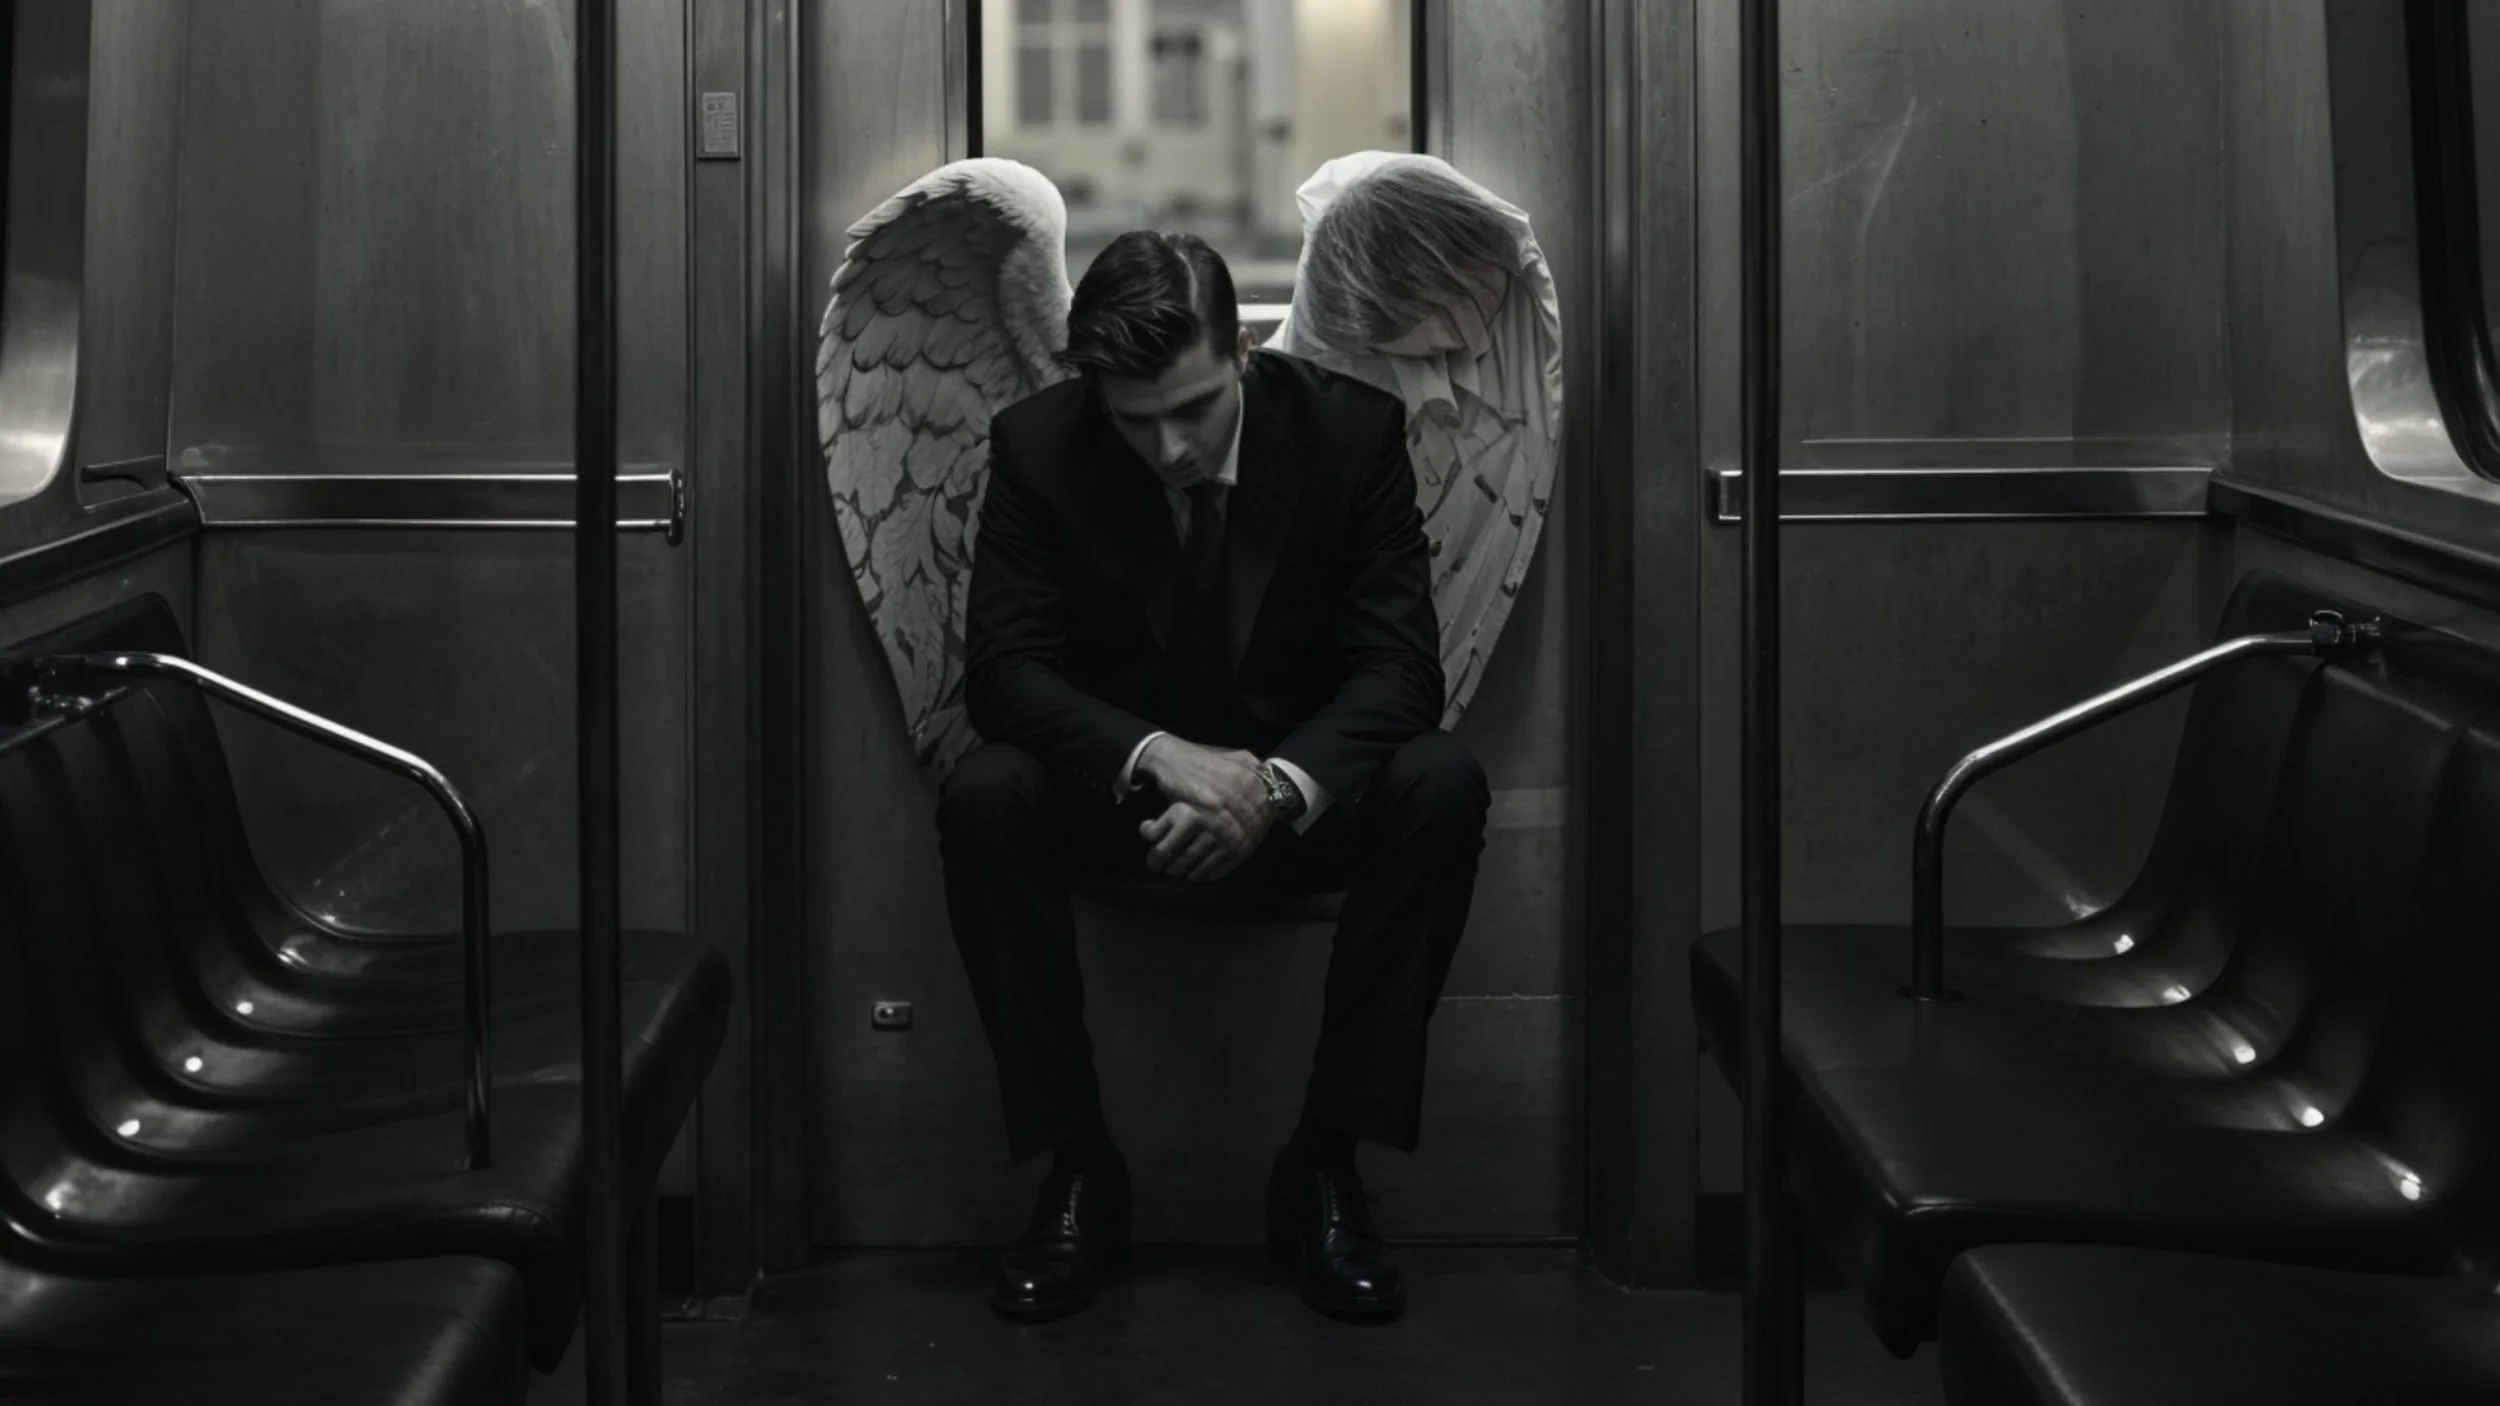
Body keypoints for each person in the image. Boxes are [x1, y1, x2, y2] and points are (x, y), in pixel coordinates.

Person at [939, 229, 1489, 1324]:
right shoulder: (1039, 445)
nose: (1171, 448)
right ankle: (1077, 1168)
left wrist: (1272, 789)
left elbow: (1400, 669)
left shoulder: (1350, 432)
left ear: (1239, 349)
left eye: (1192, 407)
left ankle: (1324, 1167)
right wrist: (1159, 759)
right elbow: (1004, 676)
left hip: (1297, 803)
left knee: (1440, 779)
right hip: (1121, 801)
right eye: (1134, 420)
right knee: (983, 789)